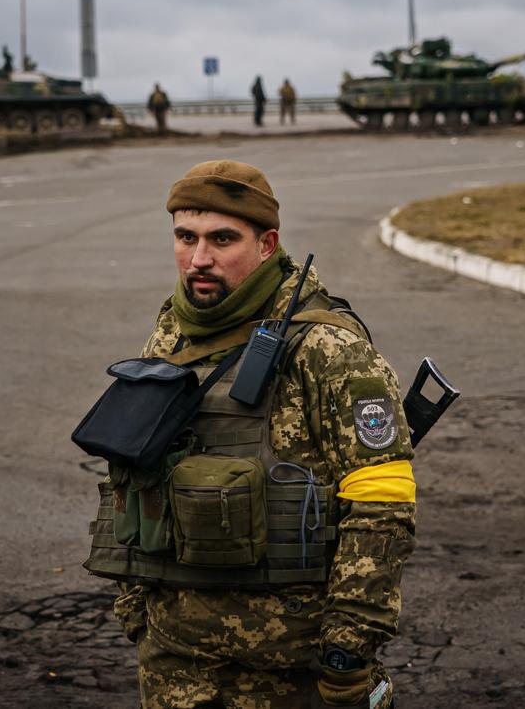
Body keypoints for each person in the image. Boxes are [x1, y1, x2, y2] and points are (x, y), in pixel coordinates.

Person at [83, 159, 416, 708]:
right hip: (177, 661)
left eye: (222, 239)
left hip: (294, 664)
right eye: (185, 237)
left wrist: (347, 651)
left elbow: (382, 507)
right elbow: (129, 476)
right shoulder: (170, 333)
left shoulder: (329, 349)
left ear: (267, 245)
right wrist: (138, 615)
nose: (199, 259)